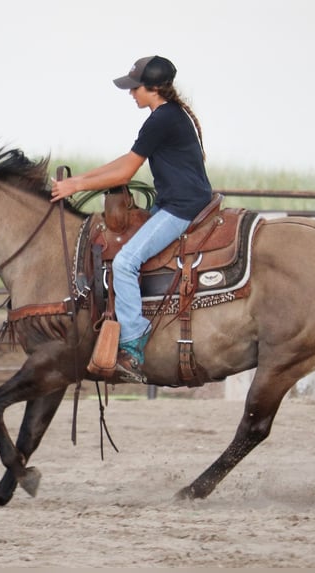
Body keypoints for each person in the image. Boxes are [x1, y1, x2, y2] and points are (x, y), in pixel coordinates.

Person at [50, 55, 213, 384]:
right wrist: (79, 179)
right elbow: (127, 159)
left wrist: (77, 185)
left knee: (124, 262)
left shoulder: (161, 119)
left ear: (152, 88)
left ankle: (133, 342)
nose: (131, 93)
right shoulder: (165, 115)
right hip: (176, 202)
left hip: (181, 206)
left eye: (135, 88)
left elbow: (126, 171)